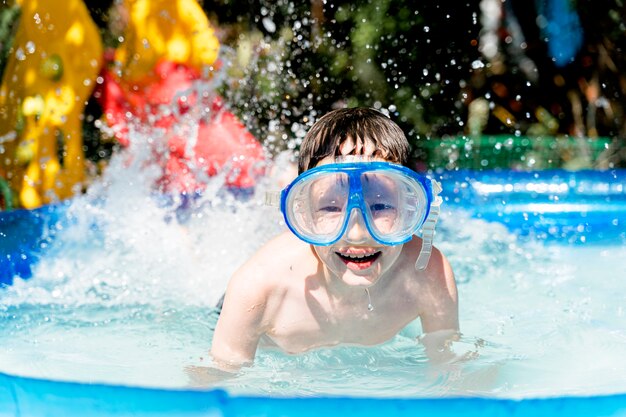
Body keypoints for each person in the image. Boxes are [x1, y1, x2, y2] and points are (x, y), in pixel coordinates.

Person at [194, 107, 458, 379]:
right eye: (331, 207)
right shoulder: (259, 287)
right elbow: (214, 384)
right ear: (303, 212)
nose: (357, 233)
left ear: (410, 207)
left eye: (380, 205)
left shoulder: (428, 274)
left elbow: (450, 369)